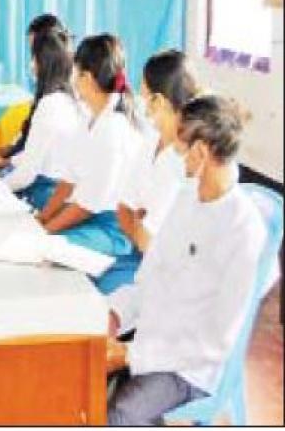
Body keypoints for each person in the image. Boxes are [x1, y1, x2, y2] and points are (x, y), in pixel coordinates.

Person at [105, 95, 265, 425]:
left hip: (189, 367)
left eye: (181, 145)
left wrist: (131, 355)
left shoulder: (244, 230)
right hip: (153, 337)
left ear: (201, 152)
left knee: (119, 415)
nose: (176, 152)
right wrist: (115, 313)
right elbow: (150, 277)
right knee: (74, 363)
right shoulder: (185, 199)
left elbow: (216, 343)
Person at [36, 34, 143, 274]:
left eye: (76, 72)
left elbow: (87, 205)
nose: (72, 80)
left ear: (86, 77)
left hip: (115, 231)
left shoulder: (114, 127)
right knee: (40, 239)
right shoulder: (89, 118)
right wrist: (42, 219)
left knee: (45, 249)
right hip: (92, 218)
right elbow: (69, 181)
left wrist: (44, 231)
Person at [97, 50, 200, 294]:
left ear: (159, 101)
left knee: (104, 297)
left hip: (168, 272)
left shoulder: (184, 157)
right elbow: (123, 208)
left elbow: (148, 241)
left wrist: (140, 222)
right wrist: (140, 223)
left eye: (144, 90)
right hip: (140, 256)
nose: (140, 97)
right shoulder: (152, 138)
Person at [0, 29, 84, 209]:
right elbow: (39, 154)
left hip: (43, 193)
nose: (31, 65)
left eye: (34, 58)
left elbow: (26, 176)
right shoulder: (72, 99)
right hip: (61, 191)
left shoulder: (49, 104)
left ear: (44, 63)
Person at [0, 13, 71, 167]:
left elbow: (34, 160)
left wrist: (5, 162)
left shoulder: (57, 98)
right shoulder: (48, 90)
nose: (32, 63)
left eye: (36, 54)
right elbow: (25, 143)